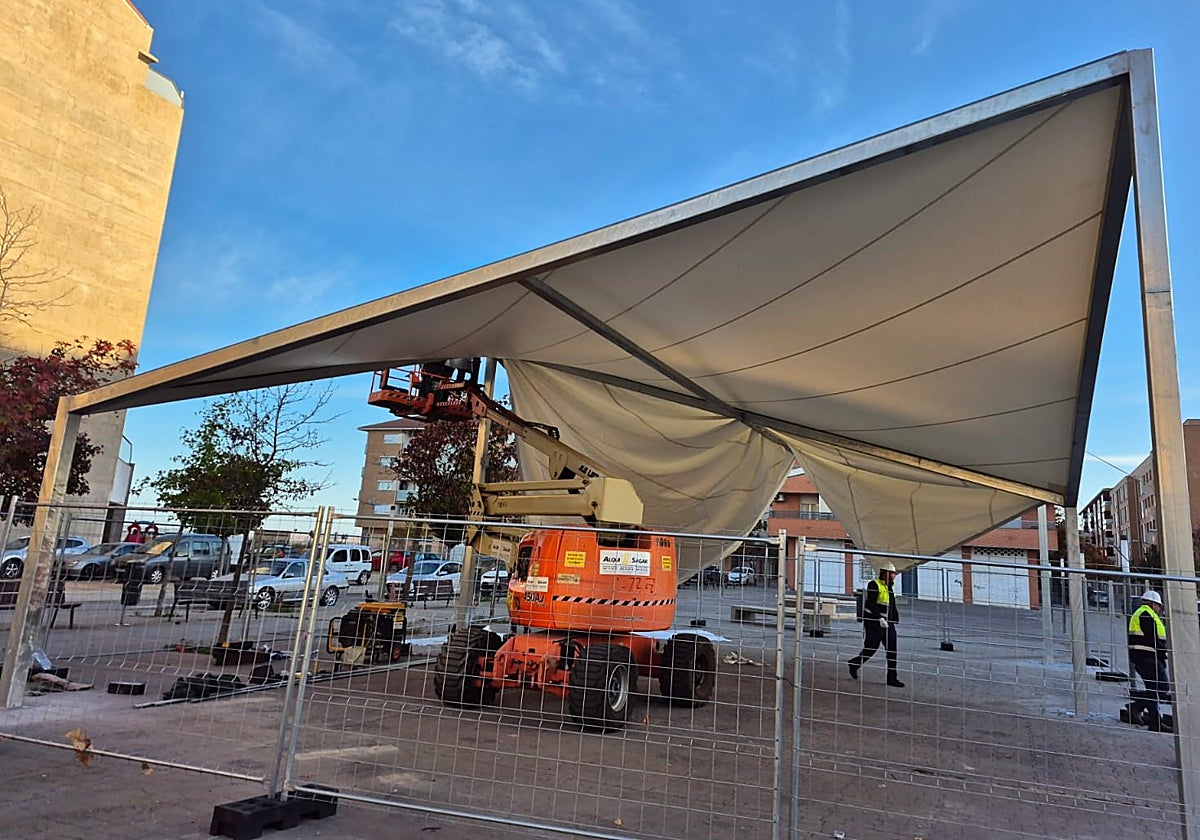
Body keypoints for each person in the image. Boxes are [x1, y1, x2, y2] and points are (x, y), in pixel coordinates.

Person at [848, 561, 904, 687]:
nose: (894, 576)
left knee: (892, 650)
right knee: (871, 648)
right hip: (874, 623)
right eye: (892, 574)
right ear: (886, 573)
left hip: (888, 624)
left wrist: (894, 619)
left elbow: (891, 605)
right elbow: (871, 604)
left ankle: (892, 678)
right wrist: (879, 618)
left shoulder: (889, 587)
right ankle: (854, 663)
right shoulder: (874, 584)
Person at [1127, 589, 1171, 730]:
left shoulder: (1143, 614)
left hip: (1145, 658)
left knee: (1153, 689)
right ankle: (1137, 708)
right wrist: (1164, 652)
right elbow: (1153, 638)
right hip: (1148, 658)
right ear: (1153, 603)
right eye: (1158, 605)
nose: (1159, 608)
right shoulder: (1146, 614)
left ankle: (1153, 722)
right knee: (1162, 687)